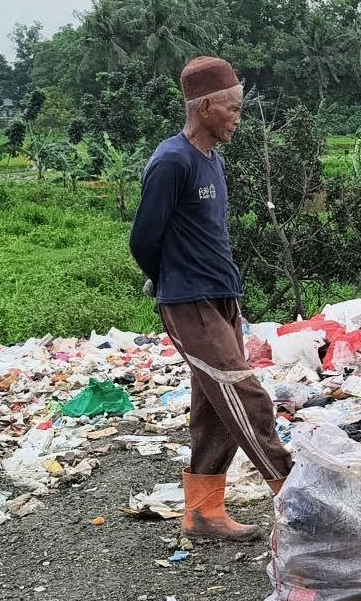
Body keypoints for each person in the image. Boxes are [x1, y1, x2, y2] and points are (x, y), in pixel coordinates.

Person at [129, 56, 292, 542]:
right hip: (188, 300)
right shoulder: (171, 161)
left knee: (215, 407)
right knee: (245, 395)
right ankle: (298, 496)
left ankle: (203, 514)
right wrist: (165, 282)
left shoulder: (211, 159)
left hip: (222, 296)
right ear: (203, 106)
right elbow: (143, 239)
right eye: (232, 108)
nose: (237, 117)